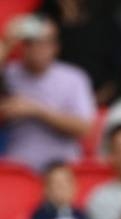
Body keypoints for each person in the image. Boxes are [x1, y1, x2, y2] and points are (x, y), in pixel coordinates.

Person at [0, 14, 96, 172]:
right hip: (19, 168)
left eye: (45, 42)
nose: (38, 48)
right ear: (23, 45)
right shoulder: (9, 73)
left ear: (55, 47)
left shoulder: (74, 77)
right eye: (31, 42)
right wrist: (6, 44)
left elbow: (83, 127)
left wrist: (36, 110)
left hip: (62, 170)